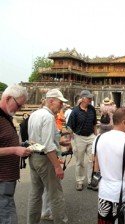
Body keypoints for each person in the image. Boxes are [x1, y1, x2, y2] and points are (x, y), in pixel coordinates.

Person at [94, 107, 125, 224]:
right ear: (124, 122)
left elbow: (96, 166)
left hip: (104, 192)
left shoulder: (98, 138)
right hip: (124, 194)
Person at [27, 88, 70, 224]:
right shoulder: (48, 117)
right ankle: (60, 221)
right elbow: (48, 146)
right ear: (51, 101)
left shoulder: (35, 114)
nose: (61, 105)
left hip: (33, 156)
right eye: (60, 102)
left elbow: (38, 138)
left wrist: (59, 141)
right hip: (45, 158)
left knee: (35, 193)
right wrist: (57, 166)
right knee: (56, 194)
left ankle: (32, 221)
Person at [0, 84, 31, 223]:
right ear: (8, 99)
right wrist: (14, 150)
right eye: (18, 105)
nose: (20, 109)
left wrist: (23, 146)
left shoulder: (6, 117)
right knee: (8, 216)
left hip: (8, 177)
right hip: (2, 178)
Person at [67, 90, 98, 191]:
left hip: (90, 136)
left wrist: (96, 136)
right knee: (80, 161)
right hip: (79, 137)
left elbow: (94, 123)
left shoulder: (92, 109)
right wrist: (71, 139)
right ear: (83, 98)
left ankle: (90, 181)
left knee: (91, 160)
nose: (90, 99)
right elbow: (70, 127)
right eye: (89, 98)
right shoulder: (75, 111)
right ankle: (79, 181)